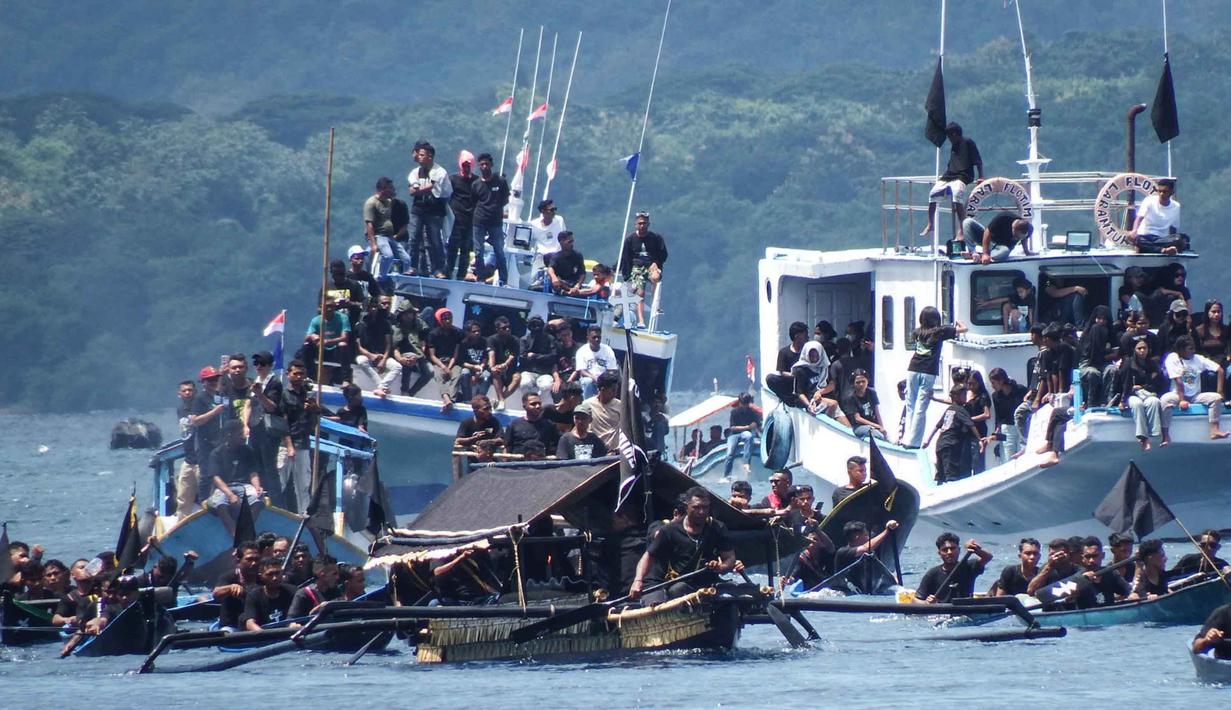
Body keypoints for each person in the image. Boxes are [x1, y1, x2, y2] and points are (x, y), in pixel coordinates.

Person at [629, 487, 742, 604]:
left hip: (704, 585)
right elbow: (648, 557)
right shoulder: (669, 531)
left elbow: (729, 558)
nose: (701, 512)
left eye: (705, 507)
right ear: (686, 506)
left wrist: (721, 567)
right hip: (670, 583)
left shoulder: (718, 528)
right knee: (677, 590)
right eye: (696, 507)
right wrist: (638, 581)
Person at [904, 307, 967, 448]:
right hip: (928, 371)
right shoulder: (940, 331)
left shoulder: (917, 332)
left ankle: (906, 439)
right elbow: (964, 329)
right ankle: (914, 442)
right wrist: (957, 322)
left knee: (910, 405)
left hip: (913, 368)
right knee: (921, 407)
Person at [921, 122, 983, 241]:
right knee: (933, 193)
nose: (949, 139)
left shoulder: (968, 142)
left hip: (963, 174)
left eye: (949, 136)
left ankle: (962, 229)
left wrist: (981, 177)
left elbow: (978, 161)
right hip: (950, 175)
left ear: (954, 134)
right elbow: (952, 162)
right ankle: (930, 224)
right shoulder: (954, 146)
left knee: (956, 194)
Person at [275, 360, 323, 514]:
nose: (299, 377)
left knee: (303, 484)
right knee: (280, 481)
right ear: (288, 374)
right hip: (286, 445)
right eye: (296, 373)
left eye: (302, 374)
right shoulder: (284, 394)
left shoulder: (308, 395)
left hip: (303, 444)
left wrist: (314, 410)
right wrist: (289, 445)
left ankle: (304, 515)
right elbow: (282, 422)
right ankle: (275, 512)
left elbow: (313, 425)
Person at [1161, 335, 1229, 440]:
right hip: (1177, 394)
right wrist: (1182, 400)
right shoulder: (1173, 358)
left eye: (1194, 348)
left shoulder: (1198, 358)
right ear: (1181, 349)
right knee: (1165, 400)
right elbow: (1178, 381)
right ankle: (1165, 435)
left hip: (1195, 396)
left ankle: (1214, 430)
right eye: (1190, 348)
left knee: (1216, 398)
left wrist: (1220, 391)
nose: (1193, 351)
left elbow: (1220, 370)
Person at [206, 421, 264, 537]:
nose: (243, 437)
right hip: (224, 487)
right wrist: (230, 495)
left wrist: (257, 487)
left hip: (244, 486)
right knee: (220, 504)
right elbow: (215, 477)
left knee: (258, 500)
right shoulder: (216, 453)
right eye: (239, 434)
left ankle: (246, 530)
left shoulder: (248, 451)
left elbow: (253, 473)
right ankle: (234, 533)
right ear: (229, 435)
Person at [405, 141, 452, 278]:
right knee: (414, 238)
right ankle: (412, 266)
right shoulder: (415, 172)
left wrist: (418, 190)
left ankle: (439, 269)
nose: (418, 157)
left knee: (435, 240)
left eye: (422, 155)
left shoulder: (440, 172)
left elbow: (431, 188)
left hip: (435, 210)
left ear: (429, 156)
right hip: (418, 208)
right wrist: (418, 190)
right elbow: (412, 190)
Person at [618, 212, 668, 327]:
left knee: (656, 277)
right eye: (640, 223)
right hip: (637, 268)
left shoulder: (656, 238)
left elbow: (663, 254)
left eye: (644, 223)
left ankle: (655, 305)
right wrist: (625, 274)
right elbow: (625, 257)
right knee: (640, 292)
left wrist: (656, 263)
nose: (642, 226)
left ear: (648, 224)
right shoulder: (630, 239)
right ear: (635, 224)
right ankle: (641, 320)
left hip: (652, 266)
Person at [189, 365, 229, 505]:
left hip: (220, 441)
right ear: (203, 382)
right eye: (210, 380)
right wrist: (214, 412)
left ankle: (222, 503)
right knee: (206, 475)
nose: (213, 382)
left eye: (215, 379)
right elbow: (195, 421)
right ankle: (203, 505)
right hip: (205, 443)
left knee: (223, 474)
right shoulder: (199, 398)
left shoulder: (220, 396)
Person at [926, 386, 982, 484]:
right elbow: (971, 425)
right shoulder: (961, 410)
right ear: (956, 396)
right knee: (951, 474)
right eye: (963, 395)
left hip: (940, 444)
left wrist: (928, 440)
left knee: (941, 474)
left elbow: (938, 426)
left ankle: (939, 489)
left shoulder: (949, 409)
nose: (965, 397)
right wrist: (979, 439)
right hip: (951, 444)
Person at [914, 532, 992, 603]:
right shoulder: (932, 574)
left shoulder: (969, 567)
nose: (949, 552)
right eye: (945, 550)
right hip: (941, 612)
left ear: (959, 550)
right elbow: (915, 601)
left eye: (952, 548)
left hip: (965, 610)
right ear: (939, 553)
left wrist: (975, 548)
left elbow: (987, 557)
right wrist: (926, 603)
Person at [469, 153, 510, 285]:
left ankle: (503, 279)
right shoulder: (476, 184)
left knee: (499, 251)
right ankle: (480, 278)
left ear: (491, 164)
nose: (484, 166)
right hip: (479, 221)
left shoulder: (500, 181)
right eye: (482, 164)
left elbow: (505, 199)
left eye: (487, 164)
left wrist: (495, 208)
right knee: (478, 251)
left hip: (495, 222)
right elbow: (473, 202)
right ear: (479, 166)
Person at [1118, 338, 1166, 450]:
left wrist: (1142, 387)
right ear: (1134, 350)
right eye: (1139, 348)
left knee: (1154, 402)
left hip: (1148, 393)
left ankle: (1155, 432)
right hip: (1132, 395)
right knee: (1137, 404)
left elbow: (1158, 384)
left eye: (1144, 348)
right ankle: (1143, 437)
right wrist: (1122, 401)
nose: (1142, 351)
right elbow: (1125, 384)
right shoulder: (1128, 364)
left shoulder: (1153, 364)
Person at [830, 519, 900, 594]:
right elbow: (865, 548)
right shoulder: (843, 552)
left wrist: (893, 580)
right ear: (856, 537)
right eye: (866, 535)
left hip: (861, 592)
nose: (868, 538)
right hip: (842, 593)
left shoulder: (869, 555)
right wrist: (887, 531)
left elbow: (881, 570)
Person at [354, 294, 401, 397]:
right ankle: (382, 386)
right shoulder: (360, 324)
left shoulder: (385, 324)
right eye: (371, 307)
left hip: (382, 356)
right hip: (368, 356)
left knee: (397, 367)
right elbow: (358, 346)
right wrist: (371, 355)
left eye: (375, 307)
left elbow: (388, 344)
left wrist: (383, 360)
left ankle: (381, 387)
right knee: (361, 360)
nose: (374, 309)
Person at [792, 341, 849, 425]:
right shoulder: (801, 370)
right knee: (833, 404)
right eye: (811, 356)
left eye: (816, 356)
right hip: (810, 400)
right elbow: (799, 393)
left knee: (847, 426)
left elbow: (832, 384)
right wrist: (809, 405)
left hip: (824, 397)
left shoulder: (824, 367)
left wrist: (819, 392)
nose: (814, 359)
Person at [364, 176, 411, 277]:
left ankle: (402, 280)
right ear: (383, 189)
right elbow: (369, 225)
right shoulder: (371, 203)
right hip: (379, 236)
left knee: (406, 259)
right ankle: (381, 278)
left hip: (390, 237)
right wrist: (373, 244)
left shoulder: (387, 202)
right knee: (388, 256)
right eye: (390, 188)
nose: (393, 190)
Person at [213, 542, 262, 630]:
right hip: (232, 627)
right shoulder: (229, 577)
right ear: (238, 561)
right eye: (249, 559)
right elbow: (216, 593)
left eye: (257, 559)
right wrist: (230, 588)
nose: (254, 563)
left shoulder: (263, 579)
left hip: (257, 625)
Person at [241, 558, 299, 631]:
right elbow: (250, 623)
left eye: (277, 573)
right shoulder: (254, 596)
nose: (274, 578)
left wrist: (294, 625)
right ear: (261, 576)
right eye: (270, 574)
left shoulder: (292, 591)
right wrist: (262, 633)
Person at [1130, 178, 1184, 254]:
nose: (1161, 194)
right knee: (1138, 240)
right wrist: (1134, 231)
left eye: (1164, 191)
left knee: (1181, 239)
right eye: (1159, 191)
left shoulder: (1176, 206)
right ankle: (1163, 250)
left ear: (1172, 192)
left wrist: (1174, 240)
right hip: (1146, 236)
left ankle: (1152, 248)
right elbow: (1139, 218)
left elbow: (1173, 227)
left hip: (1162, 239)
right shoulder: (1149, 200)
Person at [446, 151, 477, 279]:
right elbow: (446, 196)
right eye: (464, 165)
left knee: (466, 249)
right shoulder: (453, 179)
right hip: (455, 219)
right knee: (452, 247)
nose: (466, 167)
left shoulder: (476, 181)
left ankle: (461, 275)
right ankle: (448, 273)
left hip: (470, 220)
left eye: (468, 165)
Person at [427, 308, 465, 412]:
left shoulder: (458, 333)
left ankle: (451, 401)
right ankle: (446, 398)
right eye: (445, 319)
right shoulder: (433, 334)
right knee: (438, 375)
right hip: (439, 362)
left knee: (457, 375)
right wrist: (443, 367)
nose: (448, 321)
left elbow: (455, 354)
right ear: (440, 320)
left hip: (453, 362)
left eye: (450, 318)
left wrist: (450, 367)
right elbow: (432, 356)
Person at [1077, 306, 1115, 408]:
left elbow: (1116, 352)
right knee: (1093, 373)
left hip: (1104, 363)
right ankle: (1091, 404)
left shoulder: (1111, 333)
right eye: (1099, 318)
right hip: (1087, 364)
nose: (1101, 321)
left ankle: (1106, 401)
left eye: (1104, 319)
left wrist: (1104, 358)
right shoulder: (1088, 333)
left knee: (1112, 370)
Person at [304, 300, 350, 385]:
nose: (329, 309)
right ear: (321, 308)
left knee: (343, 344)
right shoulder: (316, 320)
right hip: (321, 349)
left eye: (331, 306)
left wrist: (327, 341)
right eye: (327, 306)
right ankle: (310, 376)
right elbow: (307, 337)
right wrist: (313, 336)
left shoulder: (342, 318)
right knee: (307, 346)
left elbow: (345, 337)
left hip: (335, 349)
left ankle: (346, 379)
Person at [1025, 538, 1081, 605]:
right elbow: (1031, 591)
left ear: (1068, 554)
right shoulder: (1045, 569)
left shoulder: (1077, 568)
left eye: (1060, 554)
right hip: (1052, 606)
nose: (1056, 557)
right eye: (1052, 554)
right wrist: (1049, 567)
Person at [392, 303, 432, 397]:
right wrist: (401, 359)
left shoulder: (418, 324)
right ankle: (404, 390)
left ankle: (411, 393)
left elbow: (423, 339)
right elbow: (395, 348)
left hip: (419, 355)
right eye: (405, 313)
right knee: (409, 359)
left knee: (430, 372)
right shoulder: (397, 328)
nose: (409, 316)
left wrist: (421, 351)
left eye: (410, 313)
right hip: (404, 355)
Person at [174, 379, 201, 516]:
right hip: (188, 460)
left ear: (195, 392)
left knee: (206, 495)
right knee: (183, 496)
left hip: (201, 460)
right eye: (184, 391)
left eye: (190, 390)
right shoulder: (180, 410)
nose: (187, 393)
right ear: (179, 394)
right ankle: (181, 521)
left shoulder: (200, 406)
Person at [962, 212, 1034, 263]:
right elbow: (987, 232)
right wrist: (985, 253)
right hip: (989, 240)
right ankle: (973, 252)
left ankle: (978, 256)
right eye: (1016, 237)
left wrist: (1027, 252)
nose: (1017, 239)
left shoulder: (1029, 229)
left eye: (1019, 238)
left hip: (1002, 248)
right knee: (967, 222)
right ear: (1013, 229)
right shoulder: (1004, 217)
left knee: (1004, 252)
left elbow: (1025, 240)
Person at [987, 368, 1026, 462]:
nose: (992, 386)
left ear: (1001, 380)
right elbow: (999, 416)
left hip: (1022, 427)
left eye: (993, 383)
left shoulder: (1020, 390)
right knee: (1008, 458)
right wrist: (997, 431)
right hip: (1007, 429)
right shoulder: (995, 396)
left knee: (1022, 456)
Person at [766, 321, 809, 403]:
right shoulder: (784, 352)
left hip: (806, 382)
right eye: (805, 334)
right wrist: (794, 375)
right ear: (797, 336)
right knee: (770, 378)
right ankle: (790, 400)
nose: (807, 337)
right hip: (791, 381)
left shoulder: (808, 351)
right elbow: (782, 372)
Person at [516, 315, 557, 398]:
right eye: (533, 325)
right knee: (524, 383)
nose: (536, 327)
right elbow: (523, 357)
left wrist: (535, 356)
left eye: (538, 325)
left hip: (545, 372)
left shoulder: (550, 339)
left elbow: (553, 356)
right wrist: (543, 357)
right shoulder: (524, 339)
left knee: (546, 386)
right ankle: (529, 402)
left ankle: (538, 403)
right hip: (528, 371)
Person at [529, 199, 567, 289]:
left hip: (557, 255)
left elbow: (564, 237)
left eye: (555, 209)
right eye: (551, 210)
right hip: (542, 255)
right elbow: (527, 239)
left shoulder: (559, 220)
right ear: (543, 211)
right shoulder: (534, 224)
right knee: (534, 276)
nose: (554, 212)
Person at [722, 394, 761, 477]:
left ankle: (746, 462)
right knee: (730, 454)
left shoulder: (752, 413)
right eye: (744, 403)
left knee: (749, 435)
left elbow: (758, 425)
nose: (745, 405)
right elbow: (733, 428)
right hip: (734, 435)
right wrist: (748, 427)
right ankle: (726, 475)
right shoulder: (734, 412)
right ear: (740, 402)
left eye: (746, 403)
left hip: (745, 433)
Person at [583, 371, 623, 451]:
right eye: (613, 390)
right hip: (595, 450)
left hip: (615, 451)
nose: (615, 393)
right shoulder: (587, 405)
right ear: (603, 389)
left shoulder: (620, 405)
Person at [575, 326, 618, 398]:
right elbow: (582, 371)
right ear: (588, 338)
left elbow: (612, 370)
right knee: (587, 381)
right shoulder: (581, 351)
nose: (597, 339)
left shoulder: (608, 350)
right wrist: (594, 378)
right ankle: (588, 404)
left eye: (599, 337)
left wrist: (603, 379)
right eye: (594, 337)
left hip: (605, 379)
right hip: (589, 378)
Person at [487, 316, 521, 410]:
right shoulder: (492, 339)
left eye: (508, 327)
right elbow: (491, 354)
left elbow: (512, 356)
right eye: (504, 328)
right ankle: (501, 400)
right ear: (497, 329)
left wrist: (505, 364)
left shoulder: (515, 340)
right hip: (498, 368)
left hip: (510, 369)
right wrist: (492, 367)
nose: (507, 329)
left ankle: (500, 399)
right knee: (496, 372)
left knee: (517, 377)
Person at [842, 369, 886, 440]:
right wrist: (877, 426)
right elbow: (857, 419)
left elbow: (877, 411)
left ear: (867, 381)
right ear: (853, 384)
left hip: (873, 424)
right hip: (859, 426)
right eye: (858, 382)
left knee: (884, 436)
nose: (861, 384)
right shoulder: (850, 397)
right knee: (878, 436)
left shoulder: (872, 393)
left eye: (863, 381)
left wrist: (882, 427)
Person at [456, 319, 492, 401]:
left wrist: (479, 370)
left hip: (481, 368)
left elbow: (485, 358)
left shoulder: (484, 342)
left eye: (478, 331)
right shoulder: (463, 343)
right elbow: (461, 362)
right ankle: (467, 399)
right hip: (468, 368)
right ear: (468, 332)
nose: (477, 333)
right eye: (474, 331)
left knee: (487, 375)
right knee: (465, 373)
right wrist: (473, 367)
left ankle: (479, 400)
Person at [546, 231, 587, 295]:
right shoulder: (556, 257)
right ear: (561, 242)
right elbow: (550, 268)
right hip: (561, 284)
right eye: (569, 242)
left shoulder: (577, 255)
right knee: (552, 279)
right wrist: (553, 277)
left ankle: (571, 292)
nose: (572, 244)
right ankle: (565, 292)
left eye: (572, 241)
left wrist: (577, 286)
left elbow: (582, 273)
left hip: (574, 284)